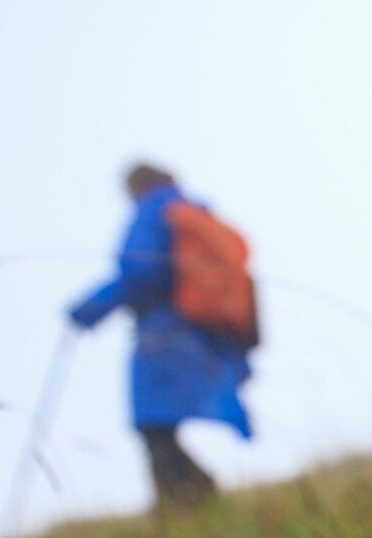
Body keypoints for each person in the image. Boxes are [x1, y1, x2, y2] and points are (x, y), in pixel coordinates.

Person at [68, 163, 261, 509]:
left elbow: (140, 272)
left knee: (152, 424)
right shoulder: (196, 214)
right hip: (206, 333)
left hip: (165, 331)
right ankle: (190, 499)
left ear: (136, 187)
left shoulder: (152, 212)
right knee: (159, 426)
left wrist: (89, 309)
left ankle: (184, 505)